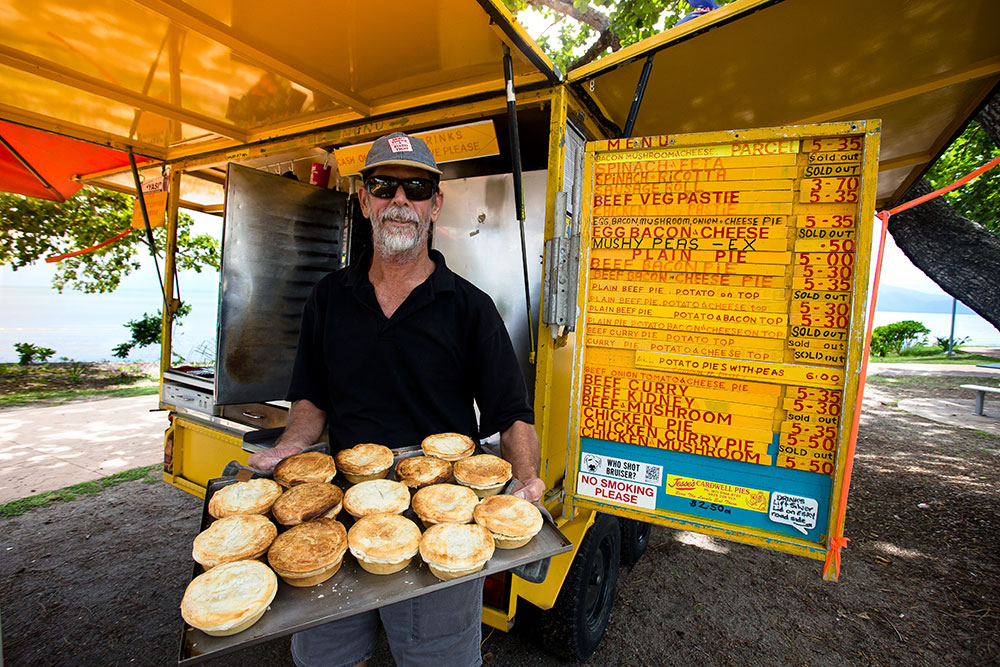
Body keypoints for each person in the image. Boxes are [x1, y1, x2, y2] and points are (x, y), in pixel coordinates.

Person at [248, 131, 545, 667]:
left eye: (417, 188)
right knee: (328, 659)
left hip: (444, 514)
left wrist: (525, 480)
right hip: (336, 509)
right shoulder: (328, 297)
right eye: (384, 187)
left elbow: (511, 413)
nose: (400, 200)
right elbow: (310, 398)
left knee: (437, 661)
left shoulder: (470, 308)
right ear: (364, 201)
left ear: (436, 204)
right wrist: (290, 446)